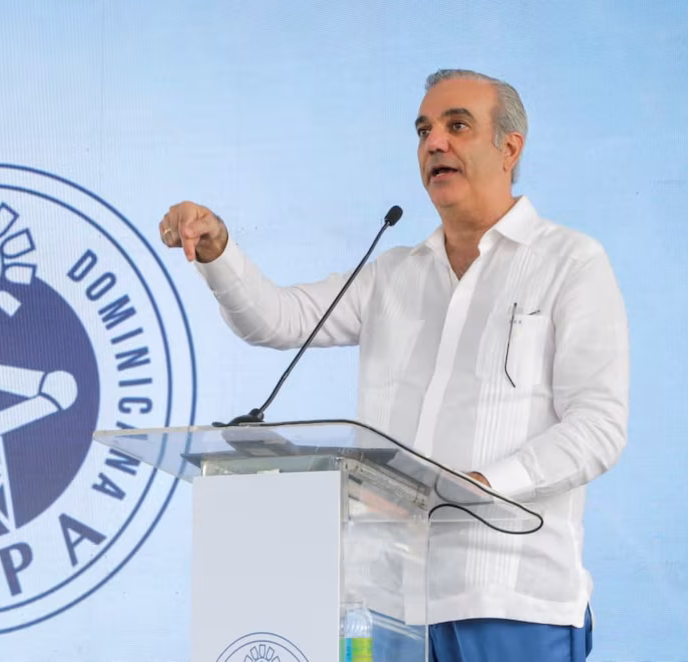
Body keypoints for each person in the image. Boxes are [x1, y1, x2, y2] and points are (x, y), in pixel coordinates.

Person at [158, 69, 628, 662]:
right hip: (386, 605)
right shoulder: (392, 274)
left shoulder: (570, 263)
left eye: (458, 126)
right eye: (424, 130)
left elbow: (598, 427)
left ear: (510, 147)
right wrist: (219, 251)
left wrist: (482, 486)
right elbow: (277, 320)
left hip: (510, 601)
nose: (435, 143)